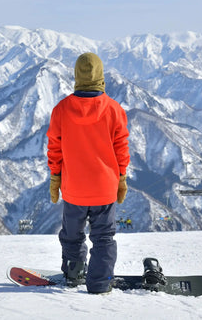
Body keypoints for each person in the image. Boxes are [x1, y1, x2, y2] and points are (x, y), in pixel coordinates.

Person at [47, 52, 130, 294]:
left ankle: (73, 274)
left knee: (72, 236)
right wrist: (121, 178)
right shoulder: (114, 110)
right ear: (101, 76)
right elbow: (121, 149)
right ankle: (100, 283)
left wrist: (55, 178)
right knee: (103, 238)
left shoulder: (61, 109)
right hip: (105, 190)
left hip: (74, 190)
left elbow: (54, 148)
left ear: (76, 76)